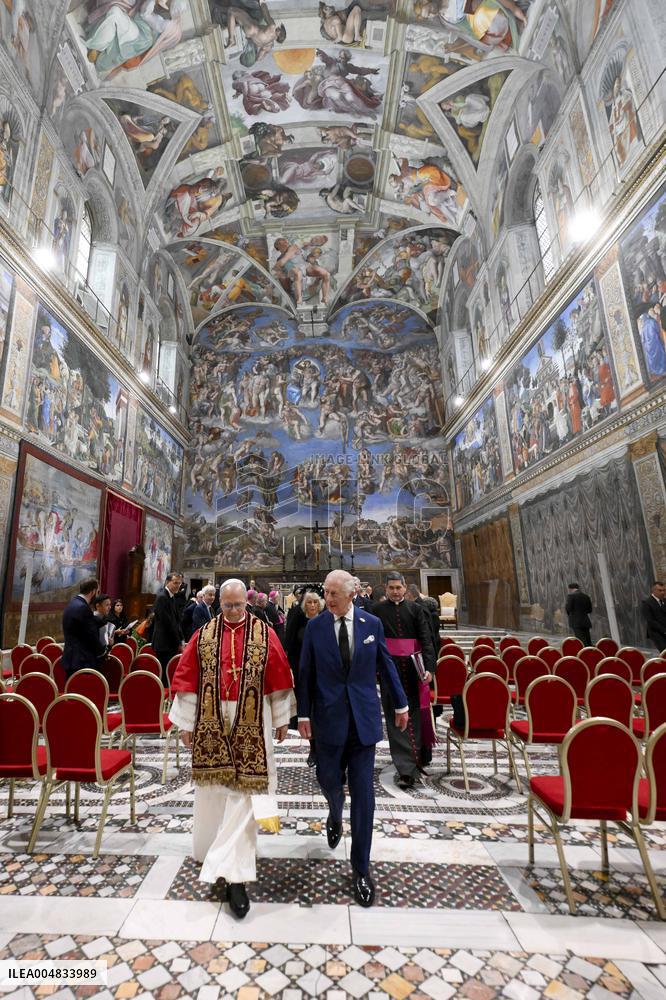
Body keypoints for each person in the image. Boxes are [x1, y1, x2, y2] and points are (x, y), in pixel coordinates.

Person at [169, 579, 295, 919]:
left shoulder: (265, 634)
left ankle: (234, 875)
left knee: (246, 795)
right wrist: (185, 723)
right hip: (212, 718)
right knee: (214, 792)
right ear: (219, 604)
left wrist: (281, 718)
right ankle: (213, 848)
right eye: (228, 606)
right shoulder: (204, 635)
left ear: (246, 603)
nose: (235, 611)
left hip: (253, 718)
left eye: (239, 605)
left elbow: (278, 678)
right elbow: (187, 680)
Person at [298, 570, 408, 907]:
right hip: (328, 720)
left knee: (364, 797)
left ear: (352, 593)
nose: (327, 599)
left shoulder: (370, 624)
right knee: (328, 779)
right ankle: (334, 810)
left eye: (334, 593)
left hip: (363, 722)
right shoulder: (315, 627)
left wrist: (401, 703)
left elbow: (386, 664)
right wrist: (303, 715)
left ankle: (361, 868)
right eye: (326, 592)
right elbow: (305, 672)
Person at [372, 572, 436, 787]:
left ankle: (415, 756)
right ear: (386, 588)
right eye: (391, 588)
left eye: (398, 587)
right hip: (389, 668)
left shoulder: (416, 609)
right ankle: (405, 768)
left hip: (413, 668)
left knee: (414, 713)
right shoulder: (377, 610)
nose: (395, 591)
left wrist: (430, 668)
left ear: (405, 587)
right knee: (394, 715)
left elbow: (426, 639)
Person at [286, 590, 324, 766]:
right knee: (307, 710)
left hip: (323, 672)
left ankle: (324, 746)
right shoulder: (298, 620)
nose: (313, 605)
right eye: (309, 602)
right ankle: (313, 747)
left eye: (315, 602)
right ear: (304, 604)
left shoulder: (325, 620)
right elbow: (290, 645)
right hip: (303, 672)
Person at [61, 578, 106, 678]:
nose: (97, 596)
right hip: (82, 661)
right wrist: (103, 651)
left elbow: (80, 627)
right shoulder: (83, 608)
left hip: (71, 658)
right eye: (97, 592)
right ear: (93, 591)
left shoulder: (72, 603)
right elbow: (91, 635)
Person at [153, 572, 185, 682]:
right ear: (167, 582)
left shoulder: (171, 596)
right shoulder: (162, 597)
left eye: (179, 583)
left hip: (169, 643)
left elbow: (176, 621)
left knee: (168, 675)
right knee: (164, 676)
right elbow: (168, 624)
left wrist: (181, 639)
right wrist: (179, 642)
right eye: (175, 583)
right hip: (164, 644)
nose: (178, 586)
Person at [641, 581, 666, 653]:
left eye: (664, 590)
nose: (663, 592)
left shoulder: (664, 600)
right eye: (660, 590)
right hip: (656, 632)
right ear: (653, 590)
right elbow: (651, 621)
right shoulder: (647, 603)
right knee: (664, 651)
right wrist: (664, 631)